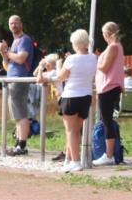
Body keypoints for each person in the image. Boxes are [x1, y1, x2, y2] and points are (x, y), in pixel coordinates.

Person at [48, 30, 96, 173]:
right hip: (86, 96)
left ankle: (75, 161)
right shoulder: (94, 57)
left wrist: (58, 66)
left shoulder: (71, 59)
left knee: (70, 131)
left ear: (75, 43)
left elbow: (61, 77)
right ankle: (69, 160)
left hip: (71, 96)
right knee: (76, 131)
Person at [0, 15, 35, 156]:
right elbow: (7, 62)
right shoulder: (15, 41)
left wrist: (7, 52)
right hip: (12, 79)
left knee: (21, 113)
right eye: (11, 23)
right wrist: (3, 51)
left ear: (21, 24)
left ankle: (22, 145)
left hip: (19, 80)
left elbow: (21, 58)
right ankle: (19, 144)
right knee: (17, 115)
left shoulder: (24, 39)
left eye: (16, 23)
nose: (13, 25)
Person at [93, 21, 125, 167]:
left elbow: (104, 68)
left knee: (107, 122)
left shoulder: (113, 47)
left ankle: (109, 154)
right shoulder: (117, 46)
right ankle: (110, 152)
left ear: (107, 34)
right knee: (107, 121)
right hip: (110, 87)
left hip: (108, 87)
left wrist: (96, 61)